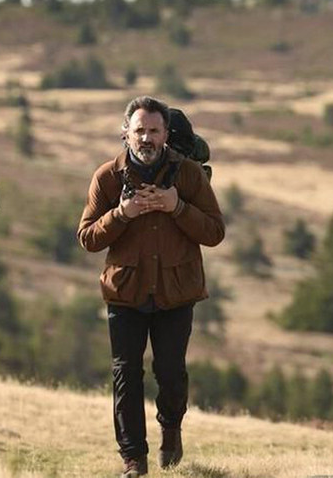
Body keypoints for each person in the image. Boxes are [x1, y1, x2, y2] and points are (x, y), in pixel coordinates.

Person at [77, 95, 225, 478]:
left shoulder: (190, 175)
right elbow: (88, 238)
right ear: (125, 133)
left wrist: (176, 206)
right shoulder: (107, 177)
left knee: (171, 372)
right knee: (126, 374)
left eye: (154, 130)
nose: (146, 138)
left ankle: (171, 430)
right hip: (125, 293)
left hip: (176, 293)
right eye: (139, 130)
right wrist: (120, 215)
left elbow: (214, 232)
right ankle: (133, 460)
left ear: (165, 134)